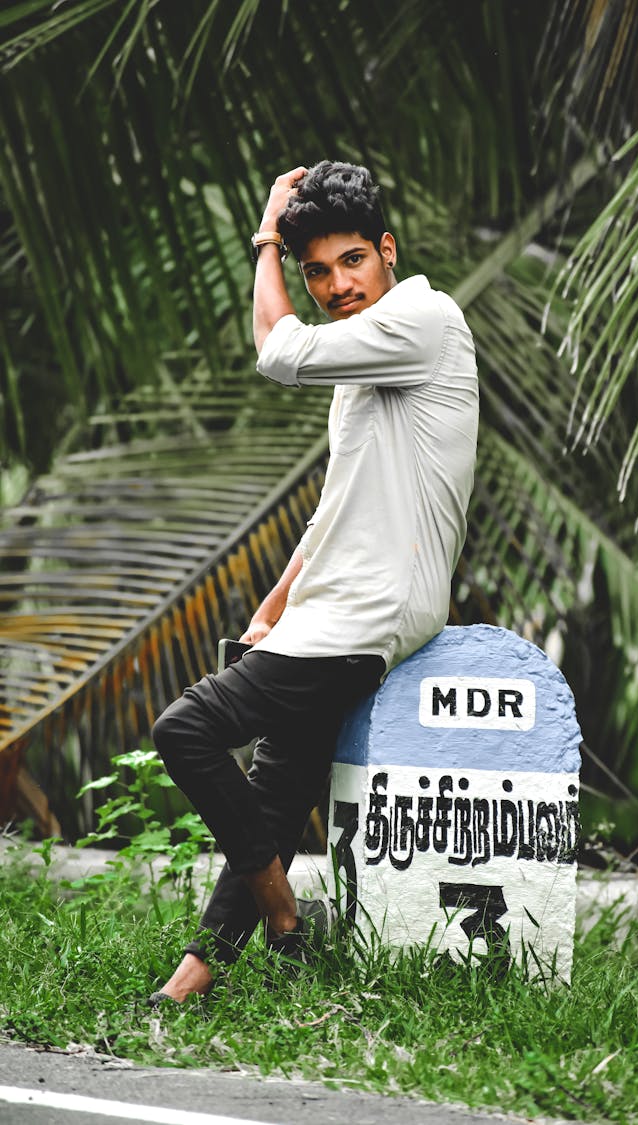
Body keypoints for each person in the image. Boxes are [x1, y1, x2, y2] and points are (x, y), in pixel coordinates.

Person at [148, 161, 478, 1004]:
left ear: (388, 251)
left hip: (366, 615)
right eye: (317, 270)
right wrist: (276, 600)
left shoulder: (423, 319)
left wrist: (267, 238)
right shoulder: (367, 361)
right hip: (333, 607)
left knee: (186, 729)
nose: (338, 285)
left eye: (353, 261)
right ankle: (190, 982)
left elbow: (277, 350)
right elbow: (344, 497)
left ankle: (288, 922)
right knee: (278, 786)